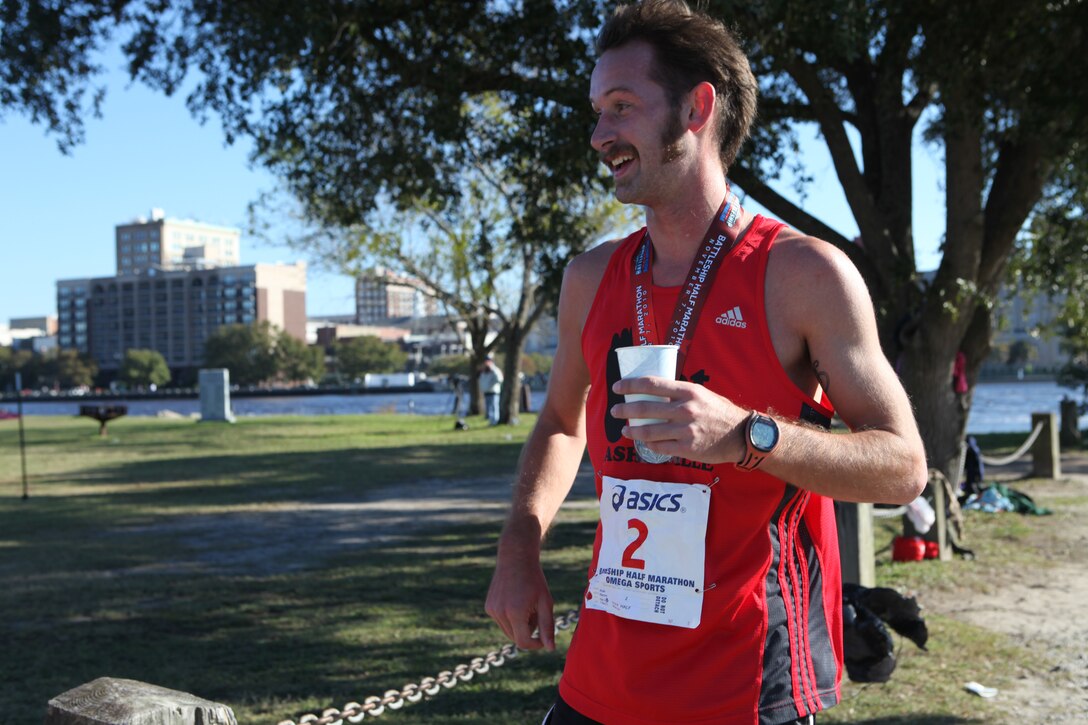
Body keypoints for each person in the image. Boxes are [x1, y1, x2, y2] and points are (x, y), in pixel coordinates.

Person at [485, 2, 928, 724]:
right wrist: (519, 544)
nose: (599, 134)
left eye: (621, 107)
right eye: (597, 111)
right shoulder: (592, 277)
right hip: (604, 675)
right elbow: (563, 423)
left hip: (748, 683)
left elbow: (903, 465)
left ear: (697, 108)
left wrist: (749, 437)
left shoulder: (802, 274)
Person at [479, 355, 504, 425]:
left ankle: (495, 420)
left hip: (493, 392)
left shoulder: (495, 370)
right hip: (486, 392)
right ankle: (491, 421)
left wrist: (492, 384)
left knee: (494, 407)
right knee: (489, 408)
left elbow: (499, 379)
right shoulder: (484, 371)